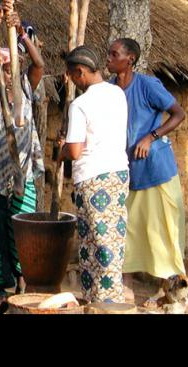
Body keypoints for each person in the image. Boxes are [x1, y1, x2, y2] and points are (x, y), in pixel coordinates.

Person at [0, 3, 45, 297]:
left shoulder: (26, 83)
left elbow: (40, 65)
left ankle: (23, 282)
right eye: (0, 64)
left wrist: (20, 34)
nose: (6, 69)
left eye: (10, 64)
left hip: (21, 170)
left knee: (23, 228)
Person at [106, 38, 187, 305]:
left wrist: (151, 136)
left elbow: (178, 114)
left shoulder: (147, 85)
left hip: (156, 171)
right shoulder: (108, 90)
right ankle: (124, 288)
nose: (108, 58)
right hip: (127, 174)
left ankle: (174, 293)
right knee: (127, 232)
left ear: (130, 59)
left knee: (163, 234)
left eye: (114, 54)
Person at [57, 46, 129, 303]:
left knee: (95, 242)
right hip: (118, 174)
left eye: (72, 76)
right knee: (113, 239)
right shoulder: (118, 93)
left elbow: (76, 151)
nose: (73, 82)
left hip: (93, 179)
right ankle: (109, 298)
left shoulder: (80, 104)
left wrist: (63, 149)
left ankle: (101, 301)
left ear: (80, 72)